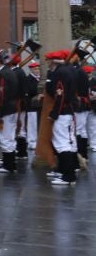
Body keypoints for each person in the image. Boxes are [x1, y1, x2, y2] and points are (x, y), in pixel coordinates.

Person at [47, 50, 80, 186]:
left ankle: (68, 176)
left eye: (48, 60)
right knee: (67, 142)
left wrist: (54, 114)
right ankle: (67, 172)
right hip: (68, 111)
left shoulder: (60, 73)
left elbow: (60, 96)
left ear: (53, 61)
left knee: (62, 143)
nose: (47, 63)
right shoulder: (69, 70)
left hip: (63, 112)